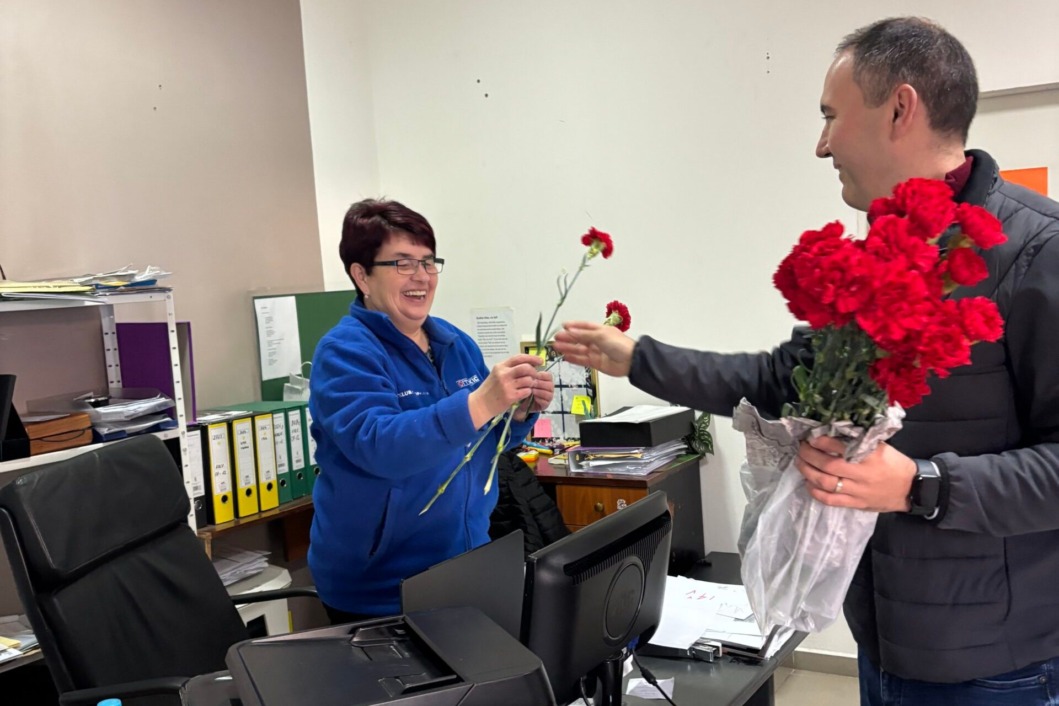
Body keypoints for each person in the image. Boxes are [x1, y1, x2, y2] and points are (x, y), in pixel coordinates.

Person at [554, 17, 1059, 706]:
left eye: (829, 116)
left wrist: (921, 486)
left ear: (899, 109)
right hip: (883, 636)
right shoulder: (877, 254)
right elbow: (776, 381)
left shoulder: (1038, 253)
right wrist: (638, 359)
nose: (821, 145)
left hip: (997, 668)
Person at [308, 198, 554, 624]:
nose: (421, 276)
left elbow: (482, 442)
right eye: (402, 263)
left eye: (428, 262)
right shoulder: (344, 352)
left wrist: (516, 415)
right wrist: (481, 402)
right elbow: (380, 447)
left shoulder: (456, 344)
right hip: (382, 589)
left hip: (465, 567)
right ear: (361, 275)